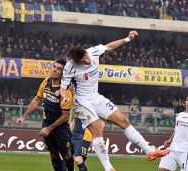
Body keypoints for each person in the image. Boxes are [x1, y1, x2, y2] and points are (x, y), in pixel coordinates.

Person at [60, 30, 170, 171]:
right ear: (77, 62)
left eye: (86, 57)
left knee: (124, 121)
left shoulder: (93, 51)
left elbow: (110, 46)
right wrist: (66, 97)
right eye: (83, 61)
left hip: (96, 97)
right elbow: (63, 88)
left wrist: (128, 38)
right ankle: (108, 168)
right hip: (81, 101)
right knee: (97, 129)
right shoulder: (70, 67)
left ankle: (149, 151)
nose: (87, 61)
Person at [16, 58, 75, 171]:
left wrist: (49, 128)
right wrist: (24, 116)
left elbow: (65, 116)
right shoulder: (46, 82)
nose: (54, 70)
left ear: (63, 73)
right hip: (47, 122)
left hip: (60, 127)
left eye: (58, 69)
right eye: (54, 67)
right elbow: (37, 100)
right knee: (53, 152)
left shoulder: (65, 90)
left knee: (65, 153)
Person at [158, 96, 188, 171]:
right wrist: (170, 140)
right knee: (162, 169)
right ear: (185, 102)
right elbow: (176, 130)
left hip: (185, 151)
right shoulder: (179, 115)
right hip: (173, 148)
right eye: (187, 100)